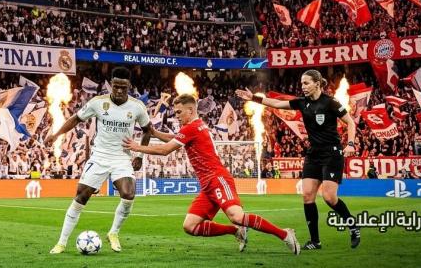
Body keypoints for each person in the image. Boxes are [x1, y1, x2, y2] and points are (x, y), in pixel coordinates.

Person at [124, 94, 300, 255]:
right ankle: (236, 231)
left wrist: (137, 147)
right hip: (208, 185)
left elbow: (165, 150)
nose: (176, 116)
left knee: (237, 216)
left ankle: (285, 234)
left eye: (178, 112)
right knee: (190, 226)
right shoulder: (194, 126)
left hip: (217, 179)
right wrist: (154, 133)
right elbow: (174, 139)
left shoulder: (191, 127)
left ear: (190, 110)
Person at [236, 69, 360, 250]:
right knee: (307, 196)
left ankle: (353, 226)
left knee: (329, 197)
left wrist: (350, 144)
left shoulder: (330, 102)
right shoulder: (302, 102)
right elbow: (277, 103)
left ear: (317, 83)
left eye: (306, 83)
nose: (303, 86)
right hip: (313, 154)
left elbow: (350, 122)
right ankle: (315, 241)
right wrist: (254, 98)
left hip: (332, 154)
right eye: (302, 83)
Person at [45, 67, 155, 254]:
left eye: (123, 87)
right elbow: (75, 119)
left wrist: (140, 155)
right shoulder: (97, 103)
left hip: (122, 157)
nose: (119, 90)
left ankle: (113, 233)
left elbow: (147, 131)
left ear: (129, 86)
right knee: (81, 196)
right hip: (100, 156)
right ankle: (61, 243)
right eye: (116, 86)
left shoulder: (137, 107)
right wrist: (56, 135)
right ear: (111, 84)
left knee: (128, 194)